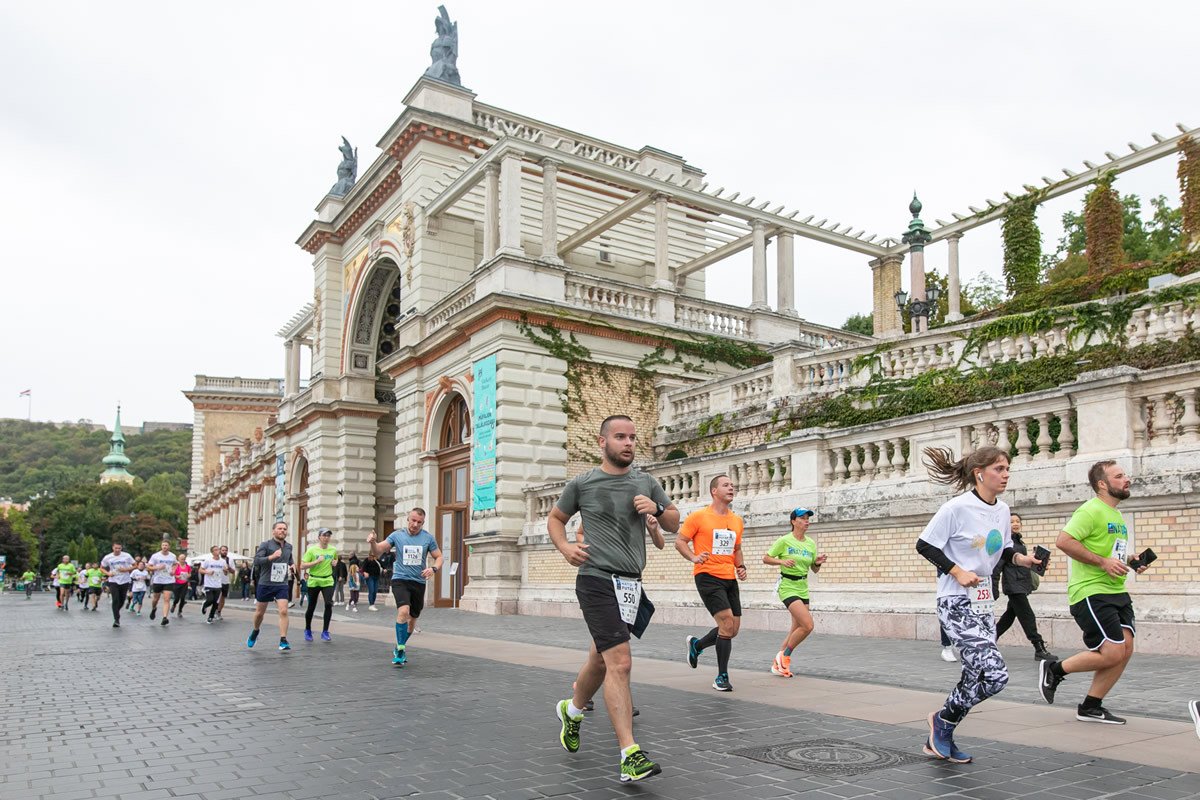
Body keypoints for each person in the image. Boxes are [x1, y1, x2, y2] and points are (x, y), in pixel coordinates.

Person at [548, 415, 677, 784]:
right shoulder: (583, 483)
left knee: (600, 659)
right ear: (602, 441)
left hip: (630, 585)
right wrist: (565, 548)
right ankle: (629, 755)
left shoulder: (646, 482)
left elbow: (673, 521)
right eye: (620, 437)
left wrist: (655, 510)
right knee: (620, 662)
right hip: (595, 580)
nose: (629, 443)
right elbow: (556, 519)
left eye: (633, 437)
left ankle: (571, 711)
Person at [915, 446, 1042, 764]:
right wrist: (957, 570)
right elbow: (925, 544)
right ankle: (943, 720)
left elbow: (1002, 546)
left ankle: (941, 731)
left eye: (1007, 468)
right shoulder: (955, 508)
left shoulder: (1002, 510)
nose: (1006, 474)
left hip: (984, 601)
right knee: (995, 675)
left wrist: (1021, 558)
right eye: (999, 468)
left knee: (975, 674)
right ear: (979, 473)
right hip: (955, 600)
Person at [1038, 461, 1148, 724]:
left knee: (1126, 649)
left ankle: (1090, 706)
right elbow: (1063, 541)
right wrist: (1102, 563)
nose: (1126, 479)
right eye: (1119, 476)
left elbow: (1110, 553)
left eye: (1125, 475)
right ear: (1102, 483)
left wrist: (1131, 561)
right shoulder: (1090, 510)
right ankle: (1054, 669)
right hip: (1091, 592)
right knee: (1111, 652)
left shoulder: (1116, 515)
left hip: (1116, 591)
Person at [678, 474, 745, 692]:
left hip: (729, 577)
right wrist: (693, 557)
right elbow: (680, 542)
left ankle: (697, 645)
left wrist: (741, 567)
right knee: (725, 623)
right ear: (714, 491)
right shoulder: (698, 517)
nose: (731, 488)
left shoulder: (736, 520)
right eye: (726, 485)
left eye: (732, 485)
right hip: (707, 575)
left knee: (732, 629)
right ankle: (721, 676)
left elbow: (736, 549)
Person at [366, 508, 442, 666]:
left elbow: (439, 556)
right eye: (413, 520)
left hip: (418, 582)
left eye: (419, 522)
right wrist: (373, 542)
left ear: (423, 523)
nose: (415, 524)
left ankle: (399, 645)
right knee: (403, 611)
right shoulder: (397, 535)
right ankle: (400, 650)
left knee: (413, 619)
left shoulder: (428, 538)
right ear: (408, 519)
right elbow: (379, 551)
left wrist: (433, 568)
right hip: (400, 580)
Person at [763, 508, 827, 678]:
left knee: (796, 628)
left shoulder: (810, 543)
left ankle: (778, 664)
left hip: (803, 587)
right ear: (793, 521)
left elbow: (814, 569)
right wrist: (782, 561)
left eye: (808, 518)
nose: (807, 521)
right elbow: (766, 558)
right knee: (808, 625)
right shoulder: (784, 540)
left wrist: (818, 563)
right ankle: (785, 656)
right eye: (803, 518)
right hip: (788, 586)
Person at [992, 512, 1057, 662]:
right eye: (1012, 522)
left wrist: (1038, 564)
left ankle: (989, 640)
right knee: (1028, 616)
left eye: (1017, 521)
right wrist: (994, 588)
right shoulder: (1006, 545)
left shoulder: (1020, 543)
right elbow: (997, 568)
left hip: (1022, 584)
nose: (1015, 524)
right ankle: (1039, 647)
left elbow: (1024, 564)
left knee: (1009, 616)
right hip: (1014, 586)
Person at [248, 521, 294, 651]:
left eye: (285, 529)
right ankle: (255, 631)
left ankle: (283, 640)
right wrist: (272, 556)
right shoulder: (266, 545)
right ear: (273, 531)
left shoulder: (289, 546)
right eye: (280, 528)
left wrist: (292, 564)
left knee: (284, 611)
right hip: (265, 583)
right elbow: (256, 561)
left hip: (282, 583)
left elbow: (289, 559)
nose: (282, 531)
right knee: (259, 613)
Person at [300, 528, 338, 642]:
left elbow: (335, 559)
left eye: (328, 536)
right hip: (314, 580)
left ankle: (325, 631)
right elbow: (302, 566)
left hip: (328, 580)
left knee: (328, 604)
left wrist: (335, 562)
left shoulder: (333, 550)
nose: (326, 538)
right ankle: (307, 629)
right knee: (311, 606)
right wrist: (316, 562)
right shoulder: (312, 550)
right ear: (319, 537)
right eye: (324, 535)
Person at [100, 543, 135, 628]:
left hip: (125, 580)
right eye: (116, 548)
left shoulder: (127, 556)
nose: (118, 550)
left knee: (122, 600)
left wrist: (126, 569)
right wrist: (108, 573)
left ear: (121, 548)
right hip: (113, 580)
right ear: (113, 548)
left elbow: (135, 565)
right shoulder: (108, 557)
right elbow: (101, 568)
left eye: (119, 548)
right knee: (115, 599)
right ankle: (116, 619)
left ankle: (116, 611)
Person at [147, 541, 177, 626]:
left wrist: (173, 570)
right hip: (158, 580)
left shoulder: (172, 556)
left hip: (169, 580)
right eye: (163, 545)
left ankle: (165, 618)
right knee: (155, 599)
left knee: (166, 599)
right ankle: (154, 608)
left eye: (166, 545)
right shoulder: (155, 556)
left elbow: (175, 564)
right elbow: (149, 566)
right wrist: (157, 567)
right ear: (161, 546)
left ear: (169, 546)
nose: (164, 547)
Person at [200, 546, 226, 623]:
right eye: (216, 550)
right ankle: (205, 605)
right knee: (210, 600)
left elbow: (225, 572)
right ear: (212, 552)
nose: (218, 551)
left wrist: (225, 570)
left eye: (218, 549)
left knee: (216, 602)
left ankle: (210, 617)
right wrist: (207, 572)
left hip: (218, 584)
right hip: (209, 584)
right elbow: (200, 570)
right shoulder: (208, 561)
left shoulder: (223, 561)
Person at [216, 545, 234, 620]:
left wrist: (228, 567)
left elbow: (233, 571)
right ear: (220, 551)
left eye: (226, 550)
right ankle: (214, 611)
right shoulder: (217, 559)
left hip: (225, 581)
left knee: (223, 598)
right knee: (216, 598)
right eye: (223, 550)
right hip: (216, 581)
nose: (224, 552)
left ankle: (219, 612)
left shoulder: (230, 560)